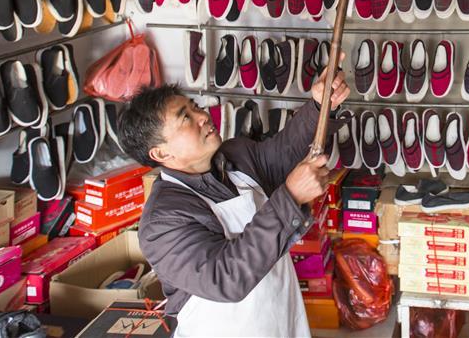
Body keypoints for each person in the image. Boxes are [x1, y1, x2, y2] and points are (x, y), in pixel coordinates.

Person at [117, 57, 350, 338]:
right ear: (161, 153)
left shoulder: (236, 156)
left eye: (195, 108)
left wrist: (319, 106)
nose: (203, 116)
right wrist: (289, 197)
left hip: (282, 322)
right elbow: (225, 278)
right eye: (186, 118)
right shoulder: (162, 222)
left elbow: (286, 150)